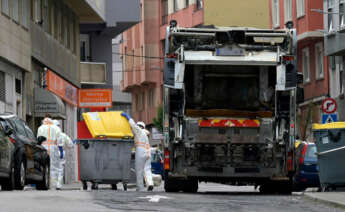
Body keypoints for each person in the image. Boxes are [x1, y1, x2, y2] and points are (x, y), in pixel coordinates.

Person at [121, 112, 154, 191]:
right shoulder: (146, 133)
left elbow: (133, 125)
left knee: (139, 170)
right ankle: (150, 184)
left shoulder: (138, 131)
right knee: (147, 169)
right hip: (148, 152)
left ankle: (140, 187)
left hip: (140, 152)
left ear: (140, 126)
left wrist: (128, 117)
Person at [37, 117, 63, 190]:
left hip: (43, 148)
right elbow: (59, 140)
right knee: (54, 167)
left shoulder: (40, 128)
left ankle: (46, 182)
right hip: (53, 148)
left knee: (44, 166)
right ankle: (54, 185)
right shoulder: (56, 128)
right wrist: (60, 150)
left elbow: (38, 138)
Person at [52, 120, 74, 190]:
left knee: (53, 168)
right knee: (60, 170)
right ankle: (58, 185)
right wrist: (73, 142)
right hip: (61, 153)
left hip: (52, 153)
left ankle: (53, 184)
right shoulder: (63, 135)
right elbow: (70, 144)